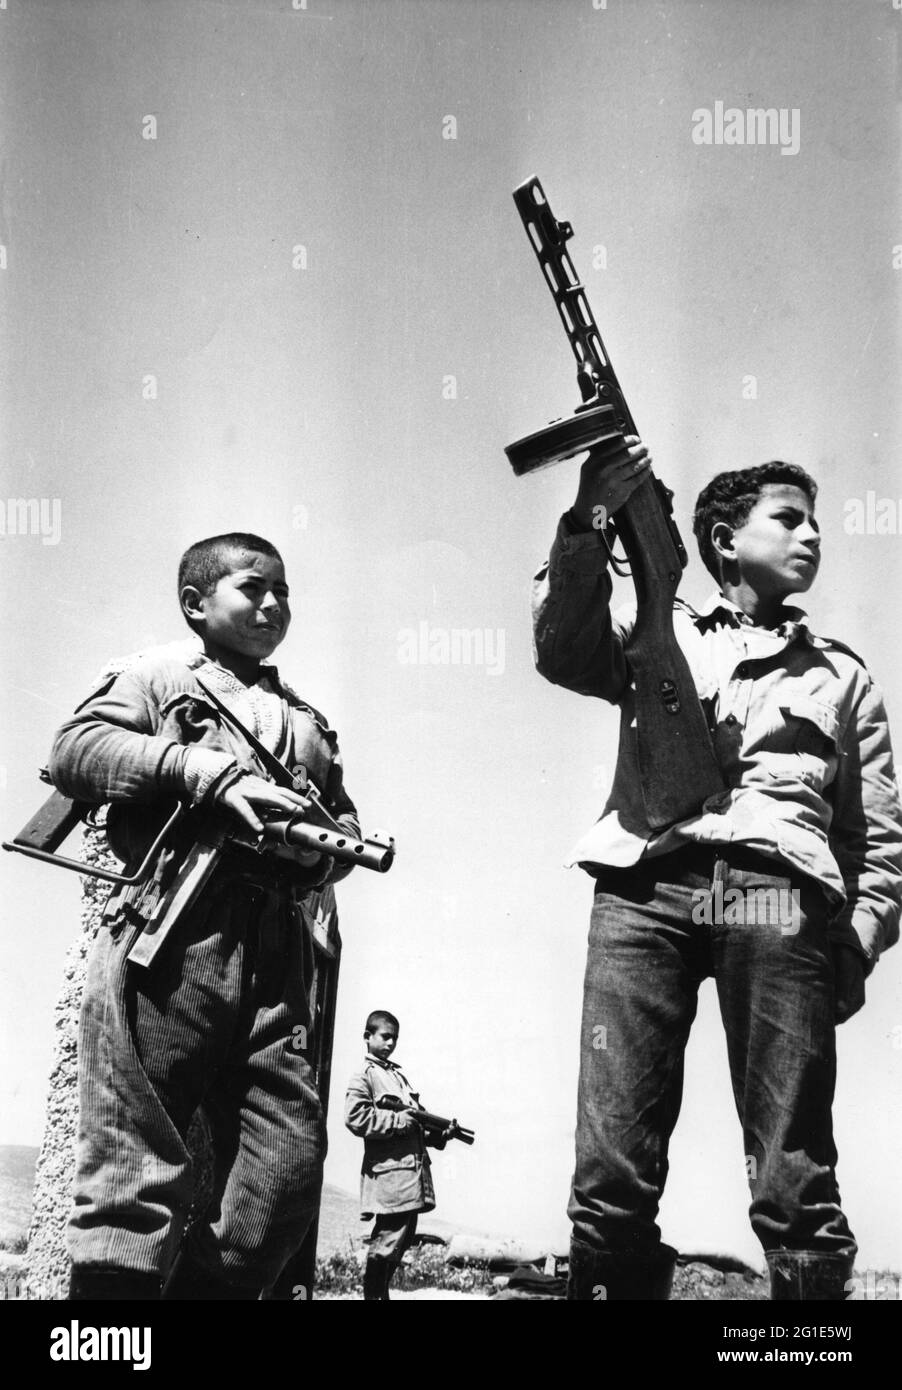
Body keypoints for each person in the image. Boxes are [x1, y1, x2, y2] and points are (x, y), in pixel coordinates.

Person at [531, 437, 902, 1301]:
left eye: (816, 522)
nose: (812, 535)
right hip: (644, 888)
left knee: (793, 1173)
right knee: (610, 1170)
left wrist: (853, 945)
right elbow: (563, 648)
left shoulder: (843, 676)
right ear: (725, 540)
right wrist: (589, 518)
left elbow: (878, 839)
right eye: (789, 519)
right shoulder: (653, 629)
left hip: (777, 897)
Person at [48, 531, 360, 1300]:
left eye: (284, 592)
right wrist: (199, 770)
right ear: (195, 604)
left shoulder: (309, 724)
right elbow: (76, 750)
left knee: (286, 1174)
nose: (273, 603)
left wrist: (318, 852)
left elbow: (344, 826)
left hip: (278, 954)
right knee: (132, 1175)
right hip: (171, 931)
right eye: (253, 587)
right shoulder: (159, 677)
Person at [345, 1011, 459, 1300]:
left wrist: (439, 1135)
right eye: (385, 1036)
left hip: (410, 1176)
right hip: (391, 1177)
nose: (391, 1043)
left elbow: (414, 1127)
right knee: (386, 1244)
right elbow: (355, 1118)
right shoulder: (365, 1075)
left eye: (394, 1038)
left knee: (400, 1242)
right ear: (367, 1037)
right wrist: (397, 1121)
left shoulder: (397, 1077)